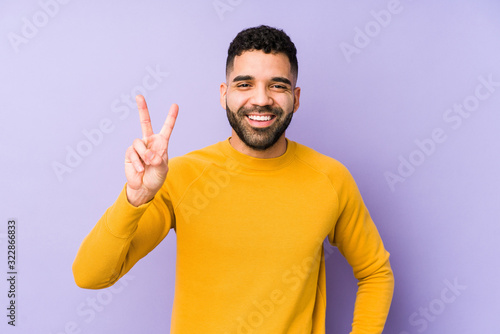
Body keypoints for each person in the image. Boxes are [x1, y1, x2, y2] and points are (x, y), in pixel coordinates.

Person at [73, 25, 394, 333]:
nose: (261, 99)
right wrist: (135, 197)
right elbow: (90, 276)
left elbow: (375, 272)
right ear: (224, 94)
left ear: (296, 97)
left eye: (277, 85)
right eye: (245, 84)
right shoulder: (181, 177)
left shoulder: (330, 179)